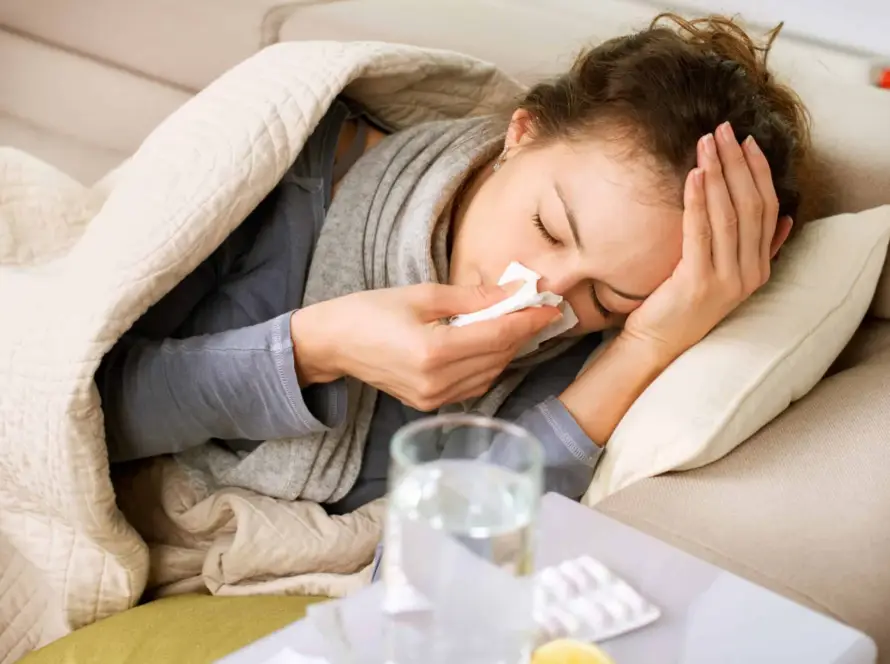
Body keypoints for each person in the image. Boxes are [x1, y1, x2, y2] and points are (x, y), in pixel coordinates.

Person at [97, 14, 811, 512]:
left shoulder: (579, 348)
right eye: (548, 228)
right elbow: (78, 410)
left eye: (607, 295)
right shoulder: (283, 173)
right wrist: (317, 348)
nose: (543, 297)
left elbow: (450, 555)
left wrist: (644, 345)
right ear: (521, 134)